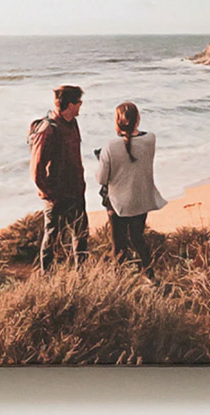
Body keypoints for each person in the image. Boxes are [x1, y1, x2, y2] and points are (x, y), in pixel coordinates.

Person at [96, 102, 166, 275]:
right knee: (138, 239)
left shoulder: (110, 146)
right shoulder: (150, 139)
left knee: (118, 245)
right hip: (141, 199)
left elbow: (101, 179)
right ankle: (150, 275)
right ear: (138, 120)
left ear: (117, 122)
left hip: (118, 203)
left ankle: (119, 280)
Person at [28, 85, 89, 271]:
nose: (81, 106)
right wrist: (50, 195)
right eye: (79, 102)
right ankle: (46, 278)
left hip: (76, 192)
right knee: (52, 239)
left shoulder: (72, 123)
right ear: (70, 105)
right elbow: (36, 169)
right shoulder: (48, 129)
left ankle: (83, 277)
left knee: (81, 236)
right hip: (57, 196)